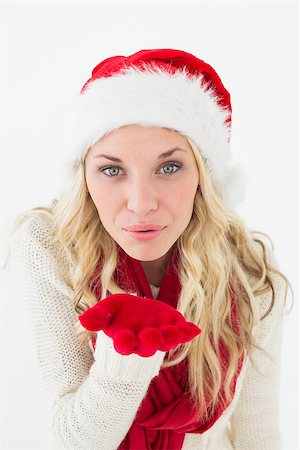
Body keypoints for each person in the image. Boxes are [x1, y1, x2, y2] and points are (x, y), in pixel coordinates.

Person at [9, 48, 292, 450]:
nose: (141, 203)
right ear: (85, 177)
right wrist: (129, 352)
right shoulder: (50, 246)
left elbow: (257, 436)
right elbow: (72, 441)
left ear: (203, 176)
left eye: (169, 167)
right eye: (112, 170)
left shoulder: (250, 270)